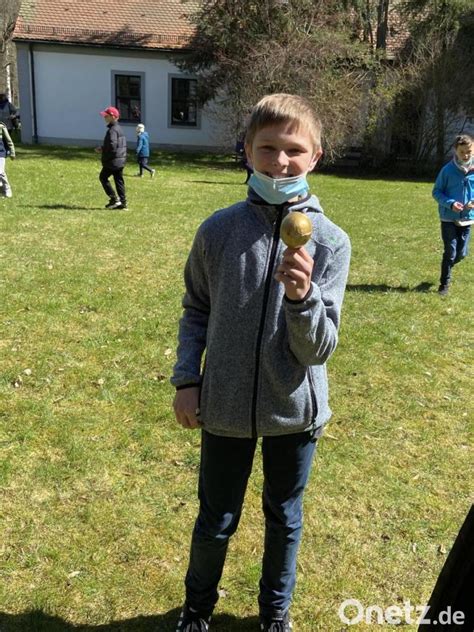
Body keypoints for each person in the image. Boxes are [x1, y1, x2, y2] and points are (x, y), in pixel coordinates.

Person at [171, 93, 351, 632]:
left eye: (294, 150)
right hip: (223, 404)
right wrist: (187, 379)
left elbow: (319, 349)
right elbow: (195, 309)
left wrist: (302, 299)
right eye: (267, 148)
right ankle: (196, 610)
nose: (280, 162)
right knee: (215, 520)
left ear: (315, 156)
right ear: (247, 151)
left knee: (284, 517)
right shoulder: (218, 231)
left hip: (294, 410)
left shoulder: (330, 242)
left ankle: (275, 613)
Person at [432, 133, 474, 296]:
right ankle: (444, 284)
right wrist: (450, 203)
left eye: (469, 152)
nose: (466, 155)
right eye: (462, 152)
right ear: (455, 150)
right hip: (448, 217)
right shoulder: (447, 170)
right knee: (450, 251)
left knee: (461, 254)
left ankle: (449, 264)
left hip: (467, 218)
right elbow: (436, 191)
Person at [95, 106, 128, 210]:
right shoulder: (119, 128)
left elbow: (112, 147)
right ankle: (123, 203)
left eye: (106, 115)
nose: (104, 117)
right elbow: (116, 145)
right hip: (120, 160)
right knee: (119, 180)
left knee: (103, 177)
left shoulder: (112, 130)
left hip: (113, 161)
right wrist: (104, 148)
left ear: (113, 117)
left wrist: (104, 153)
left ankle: (114, 199)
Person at [0, 120, 15, 198]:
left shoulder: (2, 126)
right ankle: (3, 190)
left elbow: (9, 141)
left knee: (0, 171)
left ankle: (7, 189)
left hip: (1, 153)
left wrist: (12, 153)